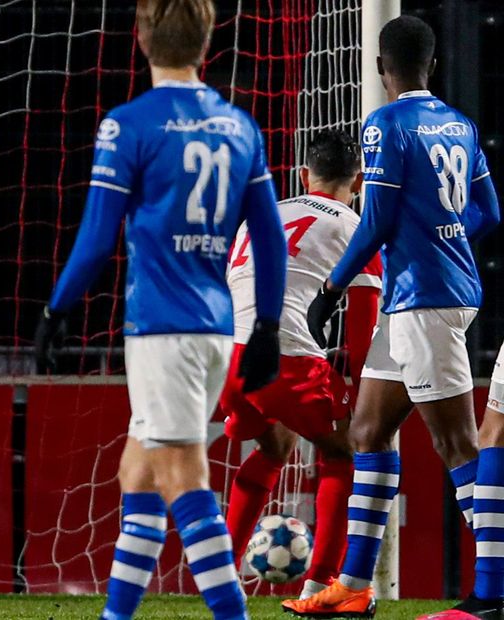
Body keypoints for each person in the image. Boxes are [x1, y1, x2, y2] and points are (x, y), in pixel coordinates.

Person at [34, 1, 287, 618]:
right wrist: (268, 328)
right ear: (207, 41)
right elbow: (272, 239)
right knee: (137, 474)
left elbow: (96, 238)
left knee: (182, 478)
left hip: (162, 330)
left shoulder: (128, 124)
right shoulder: (239, 127)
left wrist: (57, 309)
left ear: (141, 36)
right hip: (215, 327)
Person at [285, 15, 502, 620]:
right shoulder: (460, 124)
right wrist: (446, 241)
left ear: (383, 68)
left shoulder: (383, 125)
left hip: (425, 301)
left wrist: (330, 288)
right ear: (430, 65)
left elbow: (377, 221)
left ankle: (493, 592)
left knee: (457, 444)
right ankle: (353, 587)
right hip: (422, 297)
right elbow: (488, 210)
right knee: (367, 433)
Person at [219, 129, 382, 599]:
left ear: (303, 174)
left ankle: (220, 577)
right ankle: (323, 581)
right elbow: (364, 309)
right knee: (342, 450)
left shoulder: (264, 213)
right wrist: (359, 383)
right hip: (286, 357)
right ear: (358, 184)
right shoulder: (354, 224)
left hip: (231, 357)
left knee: (274, 446)